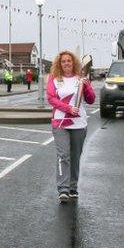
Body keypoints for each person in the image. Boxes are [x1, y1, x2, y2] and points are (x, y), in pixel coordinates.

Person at [46, 51, 95, 202]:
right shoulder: (54, 79)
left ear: (73, 62)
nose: (66, 63)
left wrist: (86, 86)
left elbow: (91, 99)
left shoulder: (81, 78)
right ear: (59, 64)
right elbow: (51, 98)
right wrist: (68, 109)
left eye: (69, 61)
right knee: (63, 156)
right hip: (60, 122)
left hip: (79, 123)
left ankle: (72, 187)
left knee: (75, 156)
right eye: (63, 61)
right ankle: (63, 189)